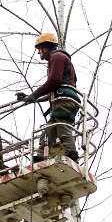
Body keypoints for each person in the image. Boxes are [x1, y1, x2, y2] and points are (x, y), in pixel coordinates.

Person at [21, 32, 82, 163]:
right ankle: (41, 155)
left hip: (64, 100)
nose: (38, 53)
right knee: (49, 130)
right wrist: (30, 97)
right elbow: (52, 89)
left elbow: (54, 80)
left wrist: (35, 94)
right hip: (60, 100)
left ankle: (72, 155)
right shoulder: (54, 59)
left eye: (39, 49)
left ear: (46, 47)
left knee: (62, 127)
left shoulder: (57, 57)